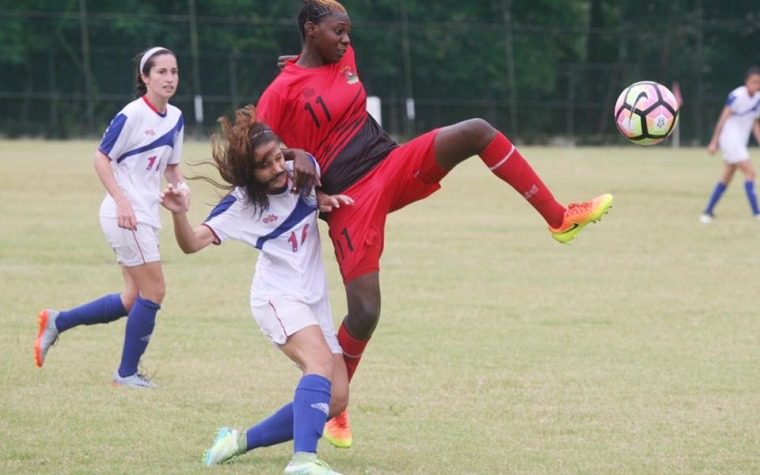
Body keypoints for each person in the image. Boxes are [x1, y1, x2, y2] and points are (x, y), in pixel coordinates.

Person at [256, 0, 613, 447]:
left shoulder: (342, 57)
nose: (347, 40)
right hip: (350, 199)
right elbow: (253, 150)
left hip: (392, 162)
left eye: (348, 32)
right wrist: (296, 156)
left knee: (477, 130)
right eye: (338, 31)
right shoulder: (283, 89)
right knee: (366, 311)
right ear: (310, 30)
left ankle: (560, 218)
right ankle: (334, 407)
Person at [160, 105, 352, 475]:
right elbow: (191, 244)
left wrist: (325, 201)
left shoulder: (302, 171)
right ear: (249, 174)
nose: (279, 167)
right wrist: (178, 213)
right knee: (320, 365)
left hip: (314, 299)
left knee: (338, 397)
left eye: (280, 156)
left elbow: (312, 174)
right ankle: (303, 462)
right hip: (276, 297)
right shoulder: (242, 204)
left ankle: (237, 440)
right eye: (266, 164)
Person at [34, 47, 189, 388]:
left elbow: (172, 167)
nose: (169, 78)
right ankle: (126, 374)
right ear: (144, 78)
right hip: (125, 215)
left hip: (146, 215)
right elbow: (101, 158)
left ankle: (58, 321)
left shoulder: (176, 117)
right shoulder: (132, 115)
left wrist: (181, 189)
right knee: (155, 290)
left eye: (174, 71)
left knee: (133, 297)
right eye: (161, 72)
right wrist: (122, 202)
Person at [701, 66, 760, 223]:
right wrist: (714, 142)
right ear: (746, 82)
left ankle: (707, 212)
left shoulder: (758, 99)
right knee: (751, 173)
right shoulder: (736, 96)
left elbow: (755, 124)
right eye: (754, 82)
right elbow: (723, 118)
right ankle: (757, 213)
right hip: (730, 139)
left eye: (759, 83)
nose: (757, 85)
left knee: (727, 177)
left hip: (740, 141)